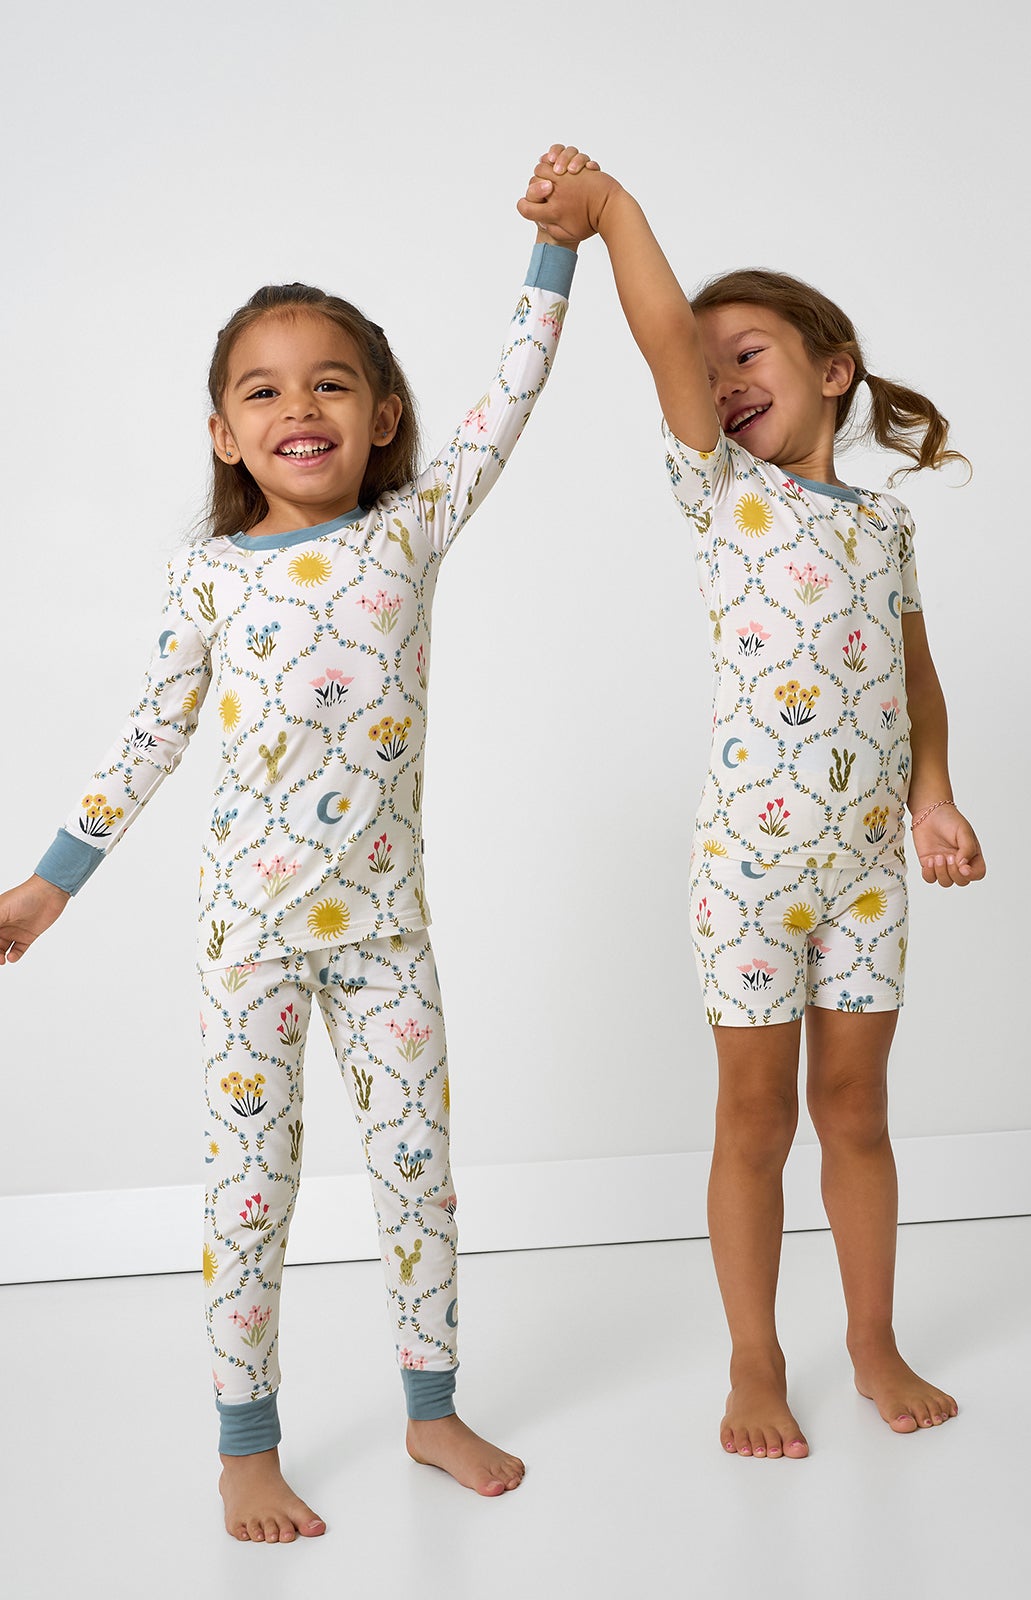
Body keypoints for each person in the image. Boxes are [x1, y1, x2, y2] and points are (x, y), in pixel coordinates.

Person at [0, 145, 597, 1542]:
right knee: (248, 1195)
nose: (298, 407)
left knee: (416, 1176)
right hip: (249, 940)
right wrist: (48, 884)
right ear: (223, 434)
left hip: (386, 933)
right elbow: (150, 735)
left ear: (382, 418)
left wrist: (558, 250)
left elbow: (510, 396)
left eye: (330, 383)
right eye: (262, 391)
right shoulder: (208, 576)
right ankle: (245, 1446)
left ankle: (431, 1409)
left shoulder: (413, 530)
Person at [519, 149, 986, 1459]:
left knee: (857, 1112)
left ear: (834, 368)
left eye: (751, 355)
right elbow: (663, 337)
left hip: (868, 874)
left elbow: (915, 678)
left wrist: (936, 799)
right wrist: (612, 213)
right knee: (755, 1118)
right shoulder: (727, 492)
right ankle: (755, 1358)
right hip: (749, 873)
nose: (724, 381)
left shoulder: (884, 527)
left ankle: (872, 1339)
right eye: (709, 366)